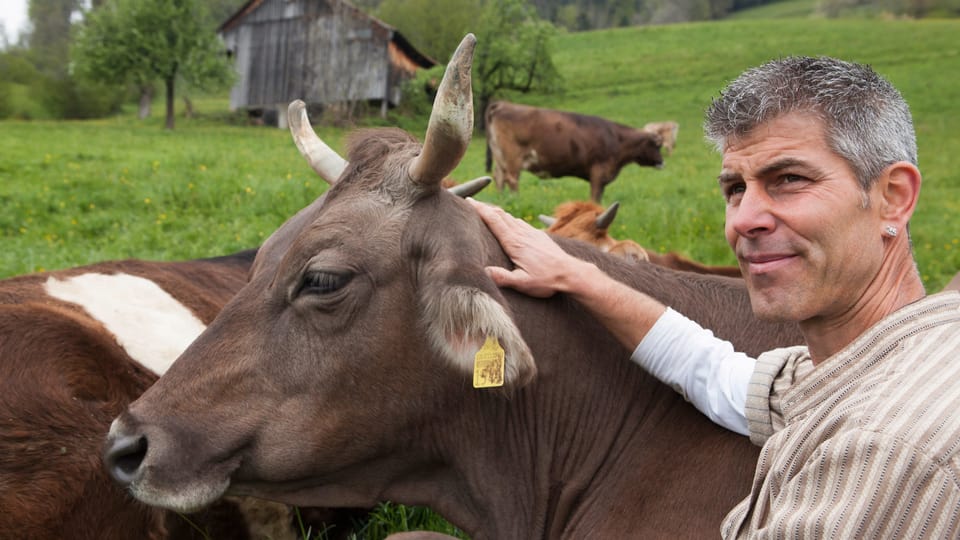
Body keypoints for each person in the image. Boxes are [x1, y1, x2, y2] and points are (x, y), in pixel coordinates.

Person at [468, 56, 960, 538]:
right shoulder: (888, 357)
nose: (743, 219)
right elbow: (717, 374)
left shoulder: (885, 452)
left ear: (893, 196)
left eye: (789, 180)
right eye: (735, 188)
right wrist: (581, 274)